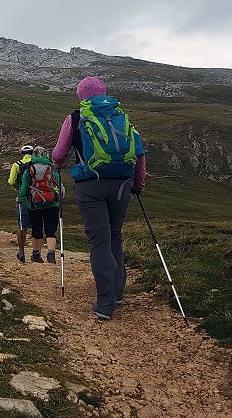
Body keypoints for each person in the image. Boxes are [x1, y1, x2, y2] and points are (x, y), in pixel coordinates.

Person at [51, 76, 146, 320]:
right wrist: (138, 184)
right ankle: (117, 293)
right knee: (115, 236)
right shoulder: (122, 118)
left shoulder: (75, 118)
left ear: (80, 95)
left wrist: (57, 163)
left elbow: (60, 153)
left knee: (99, 242)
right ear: (104, 92)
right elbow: (139, 153)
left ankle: (105, 303)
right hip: (122, 185)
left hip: (89, 186)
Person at [17, 146, 61, 264]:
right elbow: (59, 184)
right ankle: (51, 253)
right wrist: (59, 198)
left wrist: (21, 199)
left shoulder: (29, 169)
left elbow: (24, 188)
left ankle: (36, 254)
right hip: (52, 204)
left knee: (37, 229)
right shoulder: (52, 168)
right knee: (50, 230)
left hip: (34, 204)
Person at [8, 145, 33, 262]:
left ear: (22, 153)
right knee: (37, 224)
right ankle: (37, 252)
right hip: (38, 198)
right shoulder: (37, 164)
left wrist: (17, 188)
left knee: (22, 226)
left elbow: (11, 181)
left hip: (23, 198)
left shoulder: (17, 165)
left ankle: (21, 251)